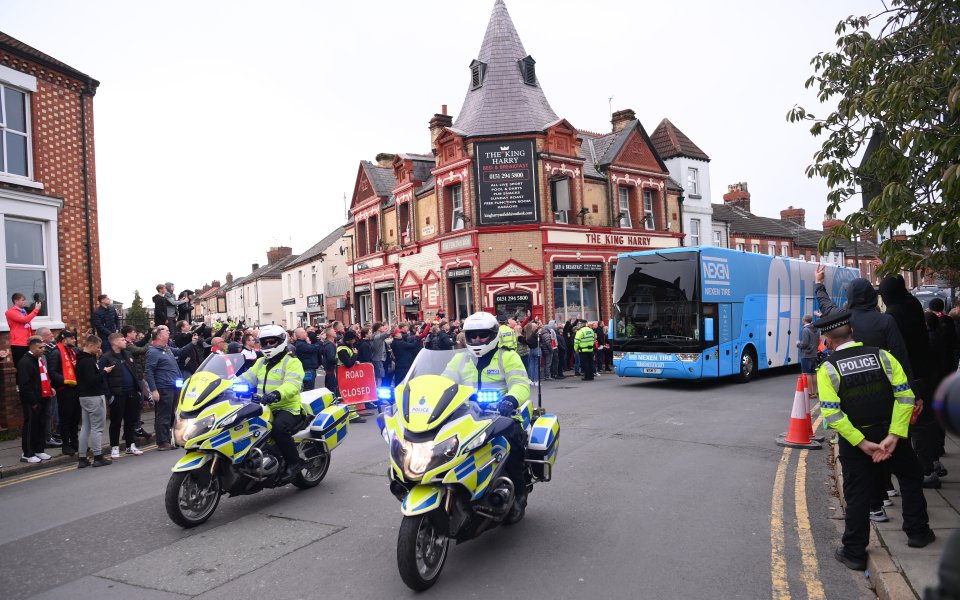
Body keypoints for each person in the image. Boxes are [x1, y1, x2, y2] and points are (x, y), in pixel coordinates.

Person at [814, 310, 935, 571]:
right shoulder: (883, 356)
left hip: (856, 440)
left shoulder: (828, 369)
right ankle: (918, 532)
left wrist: (861, 443)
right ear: (853, 333)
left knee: (857, 493)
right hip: (891, 432)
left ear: (828, 340)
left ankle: (854, 551)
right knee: (911, 477)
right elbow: (905, 397)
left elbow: (833, 414)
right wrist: (894, 435)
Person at [442, 311, 531, 520]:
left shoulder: (507, 356)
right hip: (466, 416)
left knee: (509, 446)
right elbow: (444, 381)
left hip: (501, 415)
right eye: (473, 336)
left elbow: (520, 383)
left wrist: (510, 400)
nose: (478, 340)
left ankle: (519, 492)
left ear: (493, 335)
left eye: (483, 335)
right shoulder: (460, 359)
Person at [238, 325, 304, 482]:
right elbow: (246, 377)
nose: (267, 346)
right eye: (264, 343)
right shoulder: (261, 362)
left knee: (278, 429)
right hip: (262, 407)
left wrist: (276, 394)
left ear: (281, 342)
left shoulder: (292, 362)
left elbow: (292, 385)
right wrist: (225, 384)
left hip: (287, 407)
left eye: (271, 342)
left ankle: (294, 463)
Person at [100, 332, 144, 458]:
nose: (125, 341)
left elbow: (135, 371)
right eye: (122, 340)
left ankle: (131, 446)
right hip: (117, 394)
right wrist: (110, 396)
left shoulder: (128, 354)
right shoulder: (106, 357)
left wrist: (138, 389)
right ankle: (114, 447)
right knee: (116, 422)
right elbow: (102, 378)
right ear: (114, 342)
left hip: (132, 392)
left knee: (131, 420)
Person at [76, 335, 113, 468]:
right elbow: (92, 380)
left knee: (86, 427)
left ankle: (82, 458)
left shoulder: (81, 359)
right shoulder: (87, 362)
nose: (98, 350)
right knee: (97, 428)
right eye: (97, 347)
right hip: (94, 396)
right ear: (90, 345)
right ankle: (98, 456)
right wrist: (104, 372)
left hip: (83, 397)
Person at [16, 336, 53, 463]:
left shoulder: (38, 360)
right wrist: (33, 402)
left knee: (40, 425)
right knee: (30, 426)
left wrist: (49, 388)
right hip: (32, 401)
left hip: (42, 397)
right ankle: (27, 453)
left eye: (43, 347)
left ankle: (39, 450)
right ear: (32, 347)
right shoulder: (25, 362)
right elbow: (24, 385)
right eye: (40, 347)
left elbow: (43, 377)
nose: (43, 349)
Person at [145, 326, 182, 450]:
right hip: (163, 387)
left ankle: (168, 439)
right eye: (166, 332)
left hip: (172, 386)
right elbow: (149, 371)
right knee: (163, 415)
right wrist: (154, 390)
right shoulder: (153, 351)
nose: (169, 332)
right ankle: (162, 442)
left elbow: (179, 356)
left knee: (171, 414)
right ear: (159, 336)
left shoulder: (166, 349)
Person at [47, 329, 80, 455]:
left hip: (75, 389)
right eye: (72, 338)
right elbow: (52, 372)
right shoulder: (56, 352)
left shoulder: (73, 350)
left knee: (75, 419)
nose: (74, 340)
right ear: (64, 339)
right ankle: (66, 445)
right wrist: (66, 380)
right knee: (66, 419)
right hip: (65, 390)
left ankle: (75, 443)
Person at [337, 329, 366, 422]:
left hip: (349, 375)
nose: (354, 341)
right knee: (348, 395)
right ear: (349, 340)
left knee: (351, 394)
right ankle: (351, 416)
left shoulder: (348, 347)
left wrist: (355, 361)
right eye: (353, 339)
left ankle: (353, 414)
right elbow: (348, 364)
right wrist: (355, 355)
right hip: (344, 375)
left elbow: (350, 362)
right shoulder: (342, 349)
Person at [6, 293, 41, 365]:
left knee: (30, 366)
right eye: (23, 300)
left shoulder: (23, 311)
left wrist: (33, 337)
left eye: (25, 300)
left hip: (27, 342)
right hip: (18, 344)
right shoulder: (10, 312)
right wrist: (36, 310)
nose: (25, 302)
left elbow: (28, 326)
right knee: (21, 366)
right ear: (16, 301)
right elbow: (25, 320)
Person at [797, 315, 820, 396]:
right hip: (814, 354)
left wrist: (798, 344)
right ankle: (815, 391)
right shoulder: (817, 329)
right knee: (814, 373)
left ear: (804, 320)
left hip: (806, 354)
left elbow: (805, 344)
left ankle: (810, 392)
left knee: (807, 374)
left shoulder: (805, 330)